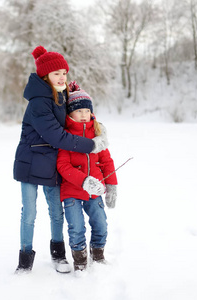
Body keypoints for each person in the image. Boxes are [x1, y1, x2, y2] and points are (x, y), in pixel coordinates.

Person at [13, 46, 108, 274]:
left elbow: (78, 111)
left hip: (52, 162)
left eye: (64, 73)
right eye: (56, 73)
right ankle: (24, 261)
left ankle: (59, 256)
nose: (62, 77)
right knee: (30, 213)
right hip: (31, 162)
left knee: (56, 211)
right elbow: (57, 134)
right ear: (45, 76)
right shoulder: (39, 102)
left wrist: (96, 127)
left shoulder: (60, 93)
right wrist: (91, 144)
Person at [56, 81, 118, 272]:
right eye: (78, 111)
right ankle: (80, 261)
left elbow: (107, 162)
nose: (83, 114)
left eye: (86, 110)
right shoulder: (66, 136)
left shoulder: (97, 136)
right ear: (70, 114)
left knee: (101, 223)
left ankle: (98, 255)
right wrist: (83, 180)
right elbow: (62, 164)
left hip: (95, 191)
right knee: (76, 227)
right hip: (72, 191)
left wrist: (112, 186)